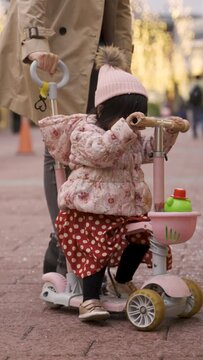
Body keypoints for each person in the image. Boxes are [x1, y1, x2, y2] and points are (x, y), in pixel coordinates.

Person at [39, 46, 182, 322]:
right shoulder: (85, 130)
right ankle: (90, 298)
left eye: (137, 116)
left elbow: (150, 151)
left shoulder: (130, 136)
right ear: (103, 109)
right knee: (97, 243)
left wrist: (168, 133)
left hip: (122, 210)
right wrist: (125, 129)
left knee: (146, 235)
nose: (132, 125)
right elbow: (101, 152)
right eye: (125, 116)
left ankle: (123, 279)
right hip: (86, 211)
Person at [0, 0, 133, 275]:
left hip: (99, 52)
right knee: (61, 146)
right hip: (54, 48)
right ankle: (68, 252)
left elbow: (119, 8)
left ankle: (62, 245)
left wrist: (123, 60)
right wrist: (36, 43)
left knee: (99, 145)